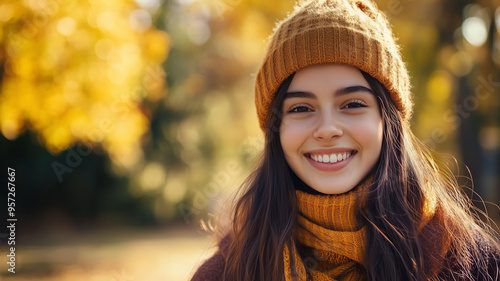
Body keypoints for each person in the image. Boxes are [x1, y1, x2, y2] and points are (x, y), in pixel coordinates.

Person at [191, 0, 500, 280]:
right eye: (301, 108)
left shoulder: (472, 264)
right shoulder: (228, 272)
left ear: (387, 120)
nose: (327, 129)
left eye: (352, 104)